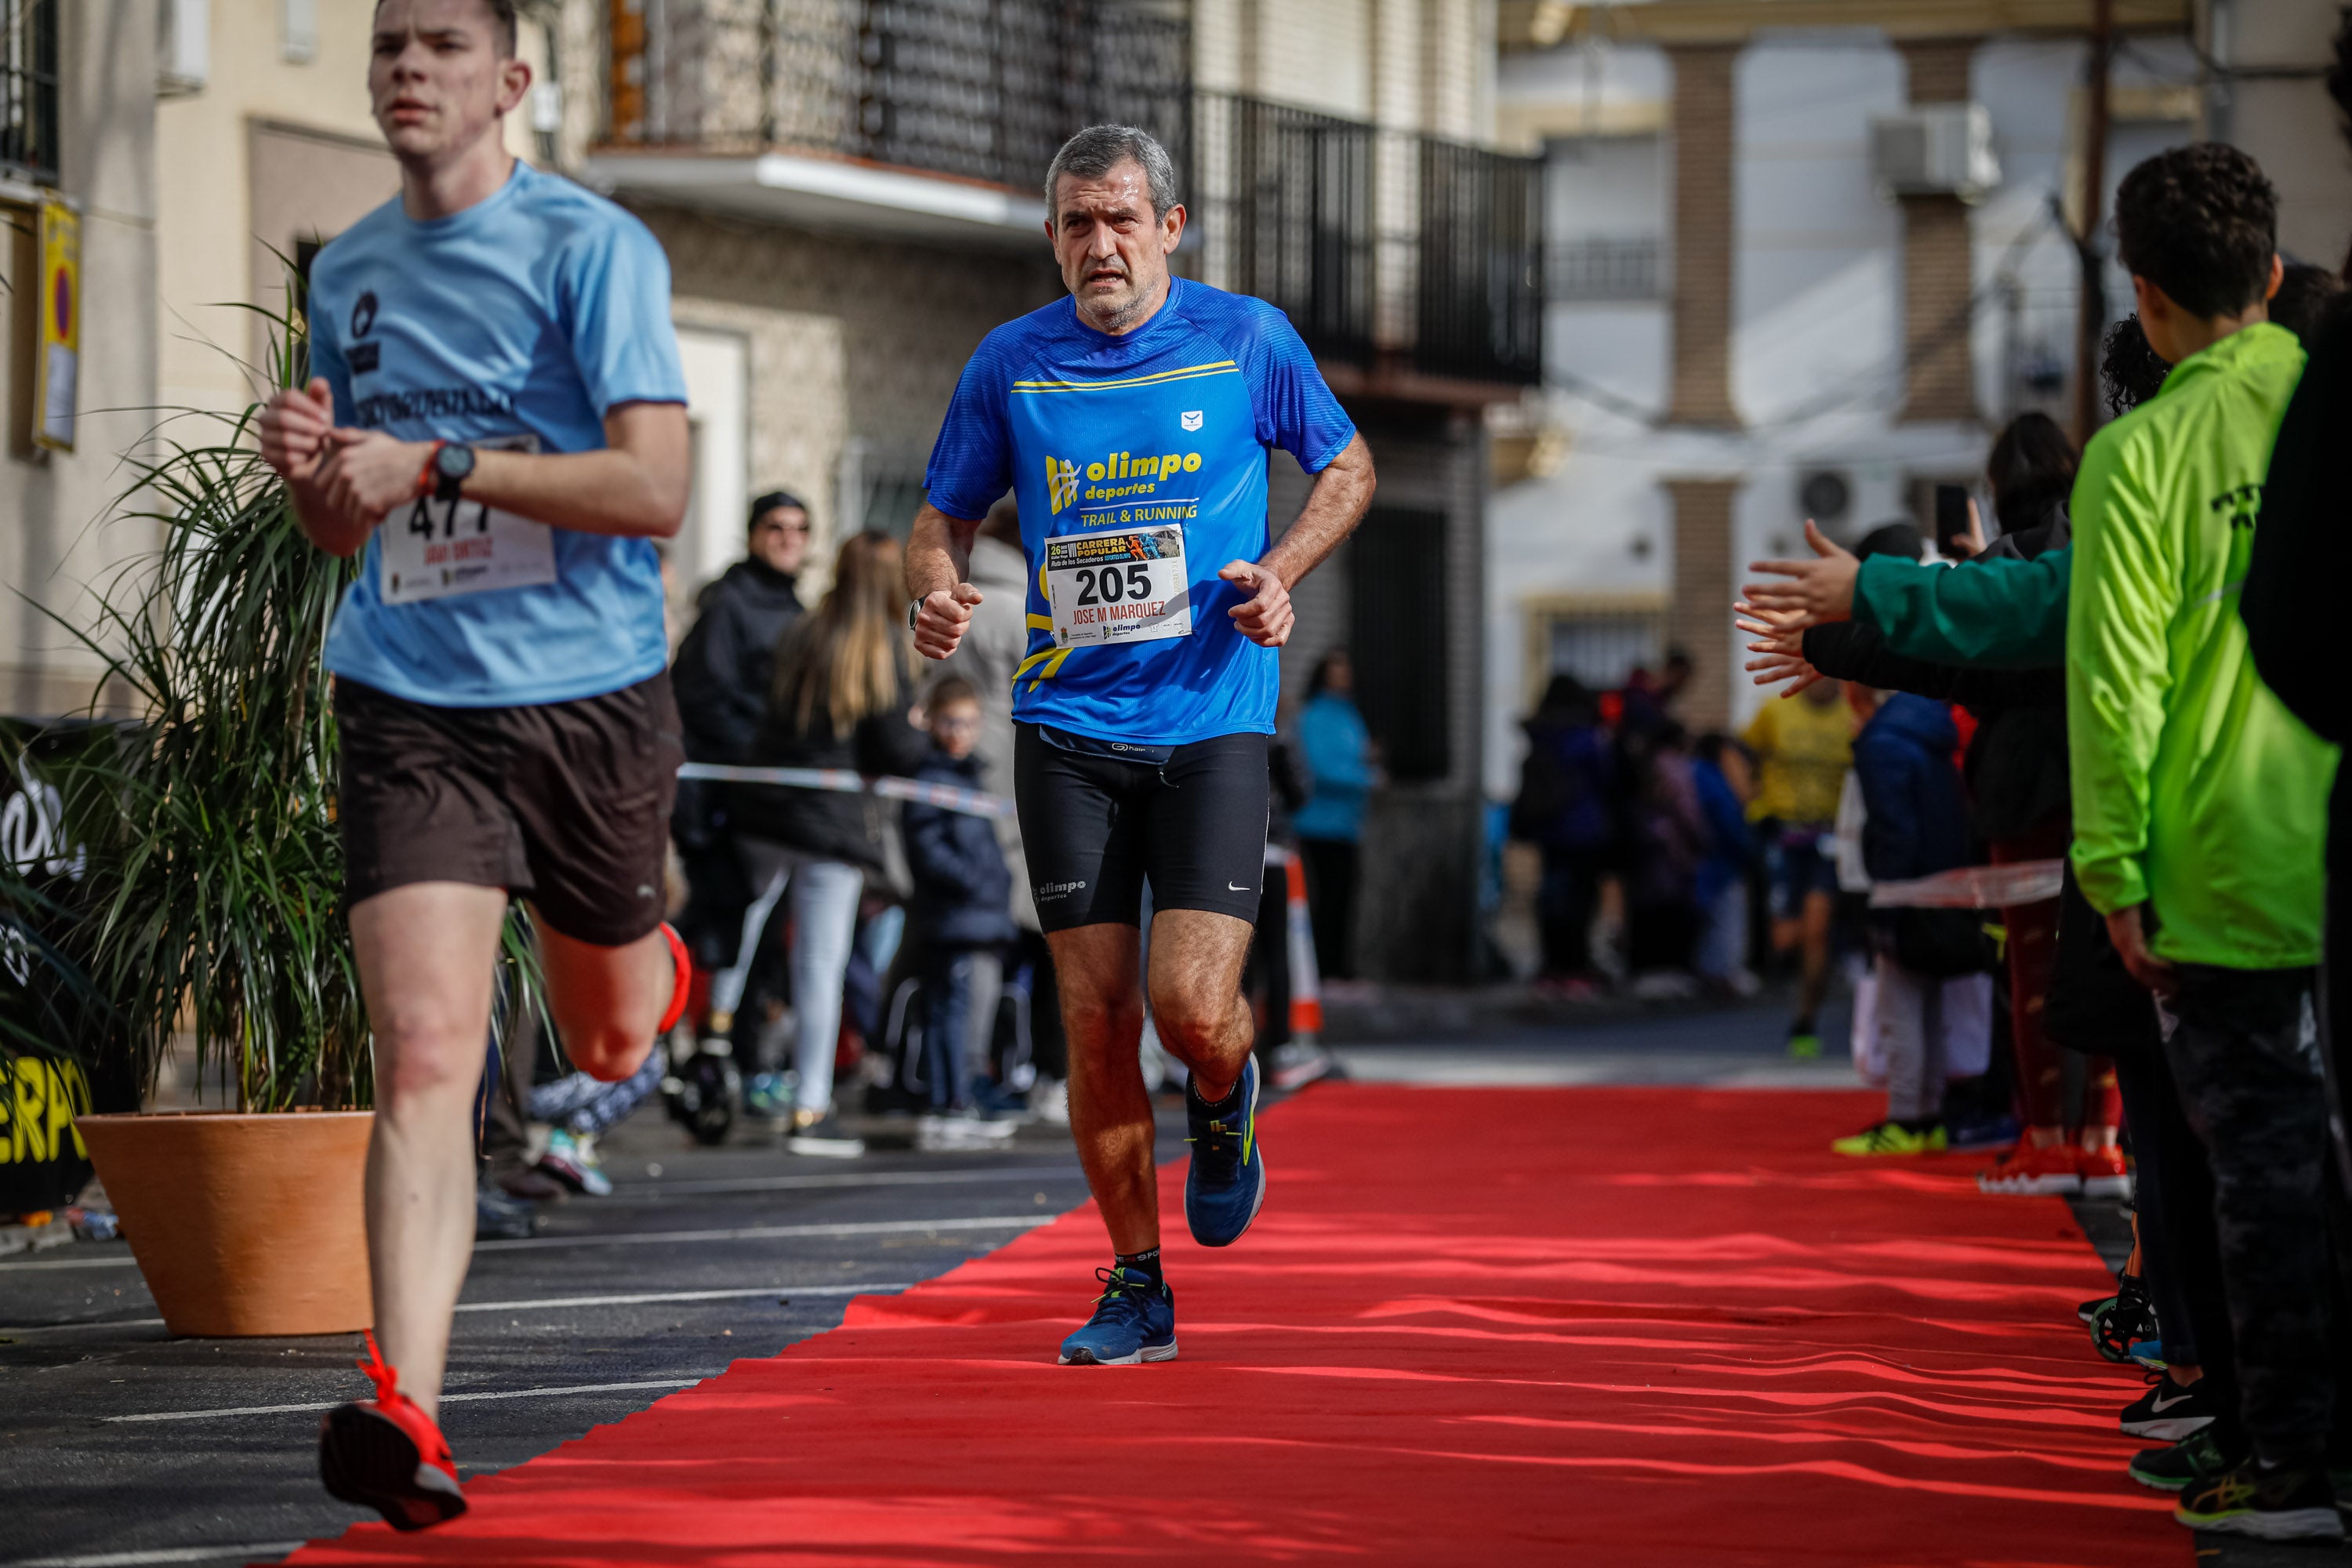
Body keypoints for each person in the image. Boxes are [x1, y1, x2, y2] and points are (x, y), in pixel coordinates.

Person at [253, 0, 693, 1530]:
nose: (405, 68)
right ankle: (409, 1408)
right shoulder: (350, 272)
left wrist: (440, 460)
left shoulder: (592, 247)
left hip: (589, 697)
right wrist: (320, 476)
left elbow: (655, 487)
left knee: (609, 1042)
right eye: (389, 45)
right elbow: (339, 525)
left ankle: (650, 970)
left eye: (439, 46)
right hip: (410, 693)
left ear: (508, 80)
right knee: (429, 1053)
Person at [906, 123, 1375, 1367]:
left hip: (1213, 719)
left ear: (1170, 227)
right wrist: (936, 591)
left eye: (1121, 219)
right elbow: (941, 516)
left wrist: (1281, 573)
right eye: (1076, 223)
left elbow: (1347, 467)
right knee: (1095, 1015)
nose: (1099, 244)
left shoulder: (1246, 338)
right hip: (1066, 730)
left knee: (1189, 1008)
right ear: (1052, 238)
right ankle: (1135, 1284)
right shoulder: (1011, 361)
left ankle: (1225, 1092)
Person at [2066, 145, 2337, 1542]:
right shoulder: (2330, 402)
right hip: (2337, 830)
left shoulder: (2137, 456)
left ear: (2146, 296)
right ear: (2276, 275)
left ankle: (2292, 1466)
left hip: (2220, 867)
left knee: (2263, 1178)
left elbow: (2116, 685)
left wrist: (2114, 876)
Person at [731, 531, 930, 1156]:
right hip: (831, 824)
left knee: (743, 941)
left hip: (769, 812)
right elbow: (896, 749)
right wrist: (920, 730)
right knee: (819, 965)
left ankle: (717, 1052)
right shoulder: (883, 648)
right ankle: (811, 1104)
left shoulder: (802, 632)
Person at [1832, 684, 1981, 1155]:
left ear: (1857, 697)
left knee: (1900, 1009)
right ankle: (1929, 1114)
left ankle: (1905, 1118)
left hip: (1905, 890)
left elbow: (1892, 824)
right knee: (1930, 1007)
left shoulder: (1883, 742)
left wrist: (1886, 895)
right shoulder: (1933, 733)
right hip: (1945, 886)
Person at [670, 493, 810, 987]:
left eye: (800, 529)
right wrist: (757, 762)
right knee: (715, 925)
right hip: (724, 796)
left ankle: (735, 1028)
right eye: (776, 527)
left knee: (761, 933)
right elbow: (703, 697)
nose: (789, 539)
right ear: (752, 535)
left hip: (773, 792)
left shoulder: (796, 607)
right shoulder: (730, 602)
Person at [901, 674, 1020, 1147]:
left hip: (978, 917)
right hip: (957, 917)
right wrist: (977, 882)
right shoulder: (931, 778)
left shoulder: (969, 775)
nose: (959, 732)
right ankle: (951, 1104)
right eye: (950, 722)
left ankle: (959, 1098)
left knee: (970, 1012)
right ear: (932, 722)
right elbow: (929, 851)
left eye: (968, 723)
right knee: (956, 1011)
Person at [1740, 673, 1850, 1056]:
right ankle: (1789, 973)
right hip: (1784, 837)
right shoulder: (1775, 710)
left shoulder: (1850, 718)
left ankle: (1806, 1018)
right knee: (1786, 938)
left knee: (1817, 931)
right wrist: (1750, 799)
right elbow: (1736, 752)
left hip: (1828, 840)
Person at [1511, 674, 1621, 991]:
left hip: (1549, 829)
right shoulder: (1585, 737)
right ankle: (1574, 965)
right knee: (1580, 901)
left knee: (1553, 899)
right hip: (1584, 831)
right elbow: (1606, 778)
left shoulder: (1541, 734)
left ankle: (1553, 965)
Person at [1294, 648, 1375, 984]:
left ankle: (1340, 970)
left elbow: (1360, 754)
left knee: (1345, 899)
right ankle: (1322, 972)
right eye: (1336, 669)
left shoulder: (1350, 714)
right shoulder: (1313, 716)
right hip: (1318, 824)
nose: (1344, 676)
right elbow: (1321, 768)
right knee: (1325, 899)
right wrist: (1367, 778)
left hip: (1348, 824)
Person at [1690, 734, 1755, 996]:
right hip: (1718, 861)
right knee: (1726, 918)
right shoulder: (1713, 780)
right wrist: (1747, 849)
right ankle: (1721, 973)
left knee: (1714, 918)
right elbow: (1728, 823)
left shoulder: (1698, 773)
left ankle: (1714, 971)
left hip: (1708, 860)